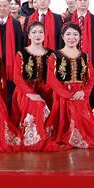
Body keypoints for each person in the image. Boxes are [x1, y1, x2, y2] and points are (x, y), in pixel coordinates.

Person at [47, 22, 94, 149]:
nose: (72, 37)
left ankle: (79, 135)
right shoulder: (55, 56)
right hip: (62, 96)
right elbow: (51, 79)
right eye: (68, 34)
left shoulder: (85, 56)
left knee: (81, 116)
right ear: (63, 37)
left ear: (80, 37)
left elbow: (91, 79)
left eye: (75, 34)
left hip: (80, 95)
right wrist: (67, 95)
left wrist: (83, 92)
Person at [12, 21, 56, 151]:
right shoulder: (21, 53)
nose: (38, 35)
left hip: (46, 88)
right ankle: (33, 137)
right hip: (25, 89)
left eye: (41, 32)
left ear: (45, 34)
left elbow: (53, 76)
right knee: (36, 104)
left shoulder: (51, 53)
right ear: (29, 35)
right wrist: (30, 93)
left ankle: (50, 132)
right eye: (34, 32)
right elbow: (17, 77)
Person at [67, 0, 94, 109]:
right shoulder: (68, 19)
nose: (83, 2)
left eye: (85, 0)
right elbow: (63, 40)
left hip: (91, 57)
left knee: (90, 82)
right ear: (76, 2)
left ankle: (90, 108)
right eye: (80, 0)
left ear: (88, 2)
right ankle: (75, 108)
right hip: (71, 57)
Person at [0, 0, 24, 105]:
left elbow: (19, 45)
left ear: (9, 8)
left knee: (9, 92)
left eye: (5, 6)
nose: (2, 8)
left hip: (11, 64)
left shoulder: (16, 24)